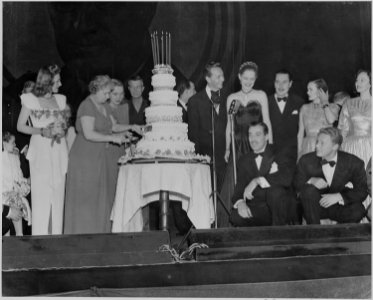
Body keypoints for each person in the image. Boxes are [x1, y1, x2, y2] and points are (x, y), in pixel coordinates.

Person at [64, 75, 136, 234]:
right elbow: (89, 134)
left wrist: (132, 128)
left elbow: (114, 126)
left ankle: (97, 234)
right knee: (87, 197)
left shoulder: (104, 105)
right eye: (107, 92)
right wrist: (113, 138)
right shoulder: (86, 106)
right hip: (85, 158)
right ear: (97, 89)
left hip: (98, 158)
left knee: (98, 197)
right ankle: (82, 234)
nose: (109, 96)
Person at [17, 64, 68, 235]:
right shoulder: (30, 100)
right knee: (42, 197)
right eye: (57, 81)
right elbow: (20, 126)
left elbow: (64, 124)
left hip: (59, 150)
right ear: (46, 83)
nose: (60, 84)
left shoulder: (60, 99)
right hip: (41, 152)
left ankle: (56, 237)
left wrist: (62, 128)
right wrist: (42, 131)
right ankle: (41, 240)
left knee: (58, 197)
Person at [220, 61, 273, 227]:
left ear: (255, 79)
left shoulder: (261, 95)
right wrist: (228, 147)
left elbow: (267, 122)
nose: (248, 82)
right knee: (236, 179)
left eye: (252, 79)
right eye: (245, 78)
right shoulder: (232, 99)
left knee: (257, 176)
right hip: (237, 144)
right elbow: (230, 126)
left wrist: (270, 145)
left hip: (255, 142)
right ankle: (236, 217)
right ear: (239, 78)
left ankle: (257, 215)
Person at [294, 127, 368, 224]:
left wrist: (339, 196)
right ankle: (315, 233)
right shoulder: (306, 160)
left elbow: (362, 191)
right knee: (308, 191)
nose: (316, 146)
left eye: (322, 143)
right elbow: (295, 185)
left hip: (338, 206)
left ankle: (340, 235)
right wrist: (311, 180)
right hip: (315, 208)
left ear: (335, 146)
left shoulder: (354, 163)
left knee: (358, 210)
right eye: (317, 141)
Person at [230, 122, 295, 227]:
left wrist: (257, 180)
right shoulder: (244, 160)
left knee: (275, 192)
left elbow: (286, 178)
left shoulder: (280, 151)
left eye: (258, 134)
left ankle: (279, 235)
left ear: (267, 136)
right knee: (235, 216)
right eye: (250, 134)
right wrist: (241, 203)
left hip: (280, 207)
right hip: (259, 209)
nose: (253, 139)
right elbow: (239, 187)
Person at [188, 62, 227, 190]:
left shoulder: (229, 98)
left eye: (222, 75)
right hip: (205, 160)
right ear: (208, 79)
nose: (223, 79)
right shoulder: (194, 101)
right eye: (218, 76)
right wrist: (199, 161)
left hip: (225, 160)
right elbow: (193, 135)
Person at [297, 78, 339, 160]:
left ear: (320, 91)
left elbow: (331, 120)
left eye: (310, 89)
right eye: (307, 89)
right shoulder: (304, 108)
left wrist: (325, 103)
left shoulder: (333, 107)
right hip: (308, 146)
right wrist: (299, 152)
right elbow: (300, 133)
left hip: (325, 146)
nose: (307, 92)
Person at [268, 69, 304, 158]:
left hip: (292, 154)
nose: (280, 85)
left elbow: (302, 131)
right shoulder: (265, 102)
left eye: (284, 82)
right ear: (274, 83)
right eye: (277, 82)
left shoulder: (299, 102)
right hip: (271, 153)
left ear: (290, 84)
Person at [338, 70, 371, 168]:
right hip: (351, 148)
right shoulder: (348, 103)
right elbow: (343, 130)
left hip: (370, 148)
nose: (358, 83)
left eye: (362, 80)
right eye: (357, 80)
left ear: (370, 83)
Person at [2, 131, 32, 236]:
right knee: (6, 230)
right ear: (3, 144)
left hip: (13, 195)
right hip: (4, 196)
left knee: (17, 206)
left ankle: (20, 235)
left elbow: (19, 177)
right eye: (12, 143)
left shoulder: (15, 158)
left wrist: (26, 181)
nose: (15, 145)